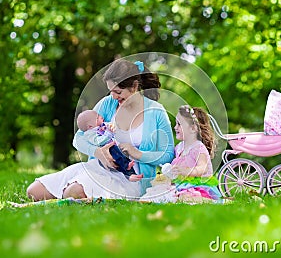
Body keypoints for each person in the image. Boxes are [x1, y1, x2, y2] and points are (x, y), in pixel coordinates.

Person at [26, 59, 175, 201]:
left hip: (131, 178)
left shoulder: (156, 112)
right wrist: (99, 153)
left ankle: (76, 192)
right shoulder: (108, 104)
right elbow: (78, 138)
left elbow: (168, 155)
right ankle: (74, 191)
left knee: (74, 192)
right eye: (110, 91)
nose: (113, 96)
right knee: (33, 191)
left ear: (134, 87)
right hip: (98, 167)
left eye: (118, 91)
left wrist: (138, 154)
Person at [140, 105, 222, 203]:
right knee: (161, 186)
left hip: (198, 184)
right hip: (181, 183)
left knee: (185, 197)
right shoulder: (179, 147)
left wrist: (186, 171)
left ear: (192, 128)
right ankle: (150, 199)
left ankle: (209, 201)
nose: (175, 127)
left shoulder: (199, 148)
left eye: (179, 124)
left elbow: (201, 168)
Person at [76, 109, 138, 180]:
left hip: (115, 145)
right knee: (117, 158)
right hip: (108, 150)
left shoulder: (102, 125)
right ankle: (127, 169)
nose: (101, 117)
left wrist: (112, 126)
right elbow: (98, 141)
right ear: (90, 126)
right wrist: (108, 133)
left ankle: (130, 168)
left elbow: (111, 125)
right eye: (97, 118)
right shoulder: (90, 134)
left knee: (123, 153)